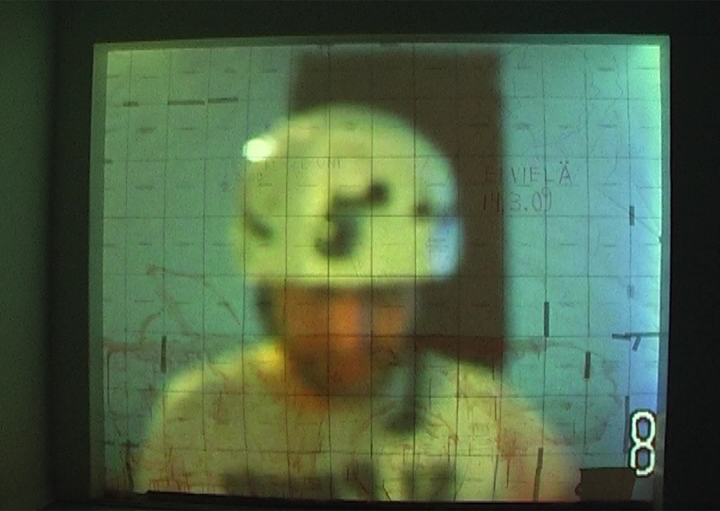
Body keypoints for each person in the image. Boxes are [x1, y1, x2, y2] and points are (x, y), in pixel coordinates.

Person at [133, 104, 579, 501]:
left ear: (420, 291)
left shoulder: (495, 420)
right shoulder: (195, 419)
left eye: (383, 295)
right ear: (268, 286)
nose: (348, 336)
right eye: (318, 294)